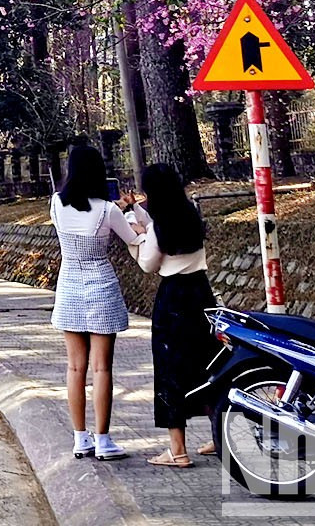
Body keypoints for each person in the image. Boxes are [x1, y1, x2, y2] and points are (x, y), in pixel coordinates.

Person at [50, 142, 142, 461]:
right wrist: (131, 213)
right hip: (101, 287)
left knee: (75, 366)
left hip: (69, 287)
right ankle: (103, 440)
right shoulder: (107, 209)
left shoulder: (55, 203)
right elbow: (133, 238)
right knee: (101, 368)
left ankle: (80, 438)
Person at [126, 165, 221, 467]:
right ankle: (219, 436)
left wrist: (137, 237)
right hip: (201, 293)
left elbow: (148, 264)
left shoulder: (159, 226)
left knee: (171, 370)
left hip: (173, 298)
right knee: (208, 362)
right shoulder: (191, 214)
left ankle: (177, 450)